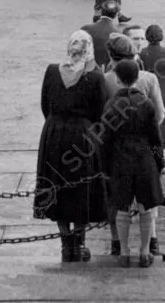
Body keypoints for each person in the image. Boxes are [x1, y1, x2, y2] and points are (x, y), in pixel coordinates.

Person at [33, 30, 109, 263]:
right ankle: (80, 243)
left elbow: (45, 104)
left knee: (57, 186)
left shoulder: (52, 71)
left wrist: (56, 121)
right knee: (81, 187)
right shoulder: (95, 77)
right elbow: (101, 111)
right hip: (83, 134)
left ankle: (66, 244)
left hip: (54, 132)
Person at [102, 32, 165, 257]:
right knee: (147, 205)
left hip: (120, 158)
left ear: (118, 79)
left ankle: (124, 249)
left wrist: (104, 164)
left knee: (121, 206)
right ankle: (147, 248)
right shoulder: (145, 101)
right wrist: (160, 158)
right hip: (144, 156)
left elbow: (105, 137)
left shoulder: (111, 103)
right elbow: (156, 131)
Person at [81, 0, 122, 69]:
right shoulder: (118, 34)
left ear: (100, 11)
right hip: (106, 70)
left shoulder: (85, 28)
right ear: (117, 14)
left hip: (86, 68)